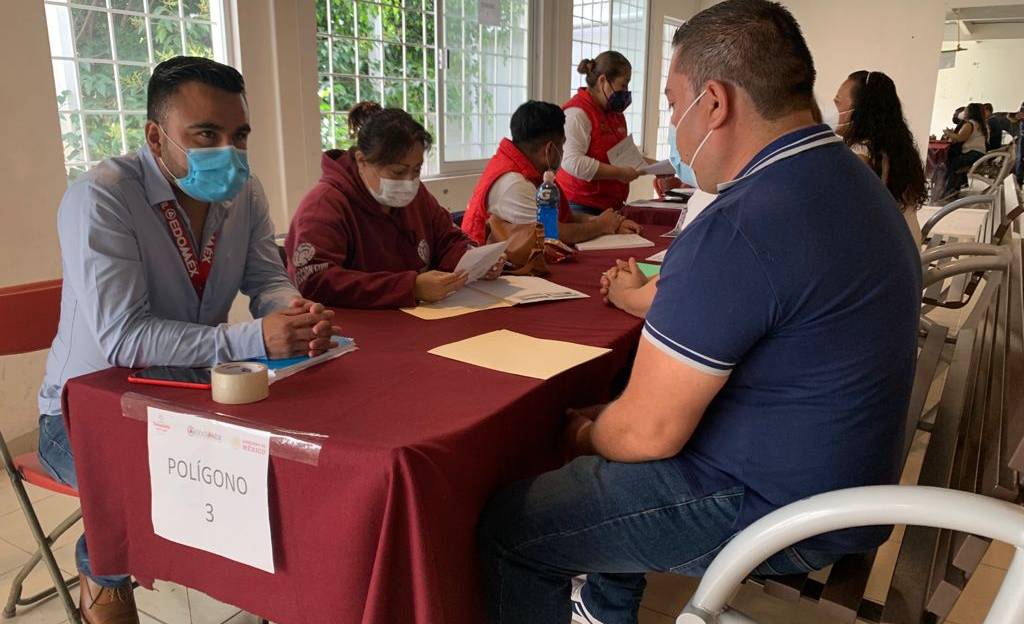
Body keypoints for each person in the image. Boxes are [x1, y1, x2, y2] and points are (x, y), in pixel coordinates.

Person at [477, 2, 921, 623]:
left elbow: (646, 434)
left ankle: (596, 601)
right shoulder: (852, 183)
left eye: (669, 101)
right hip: (841, 478)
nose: (671, 124)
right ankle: (607, 607)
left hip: (776, 506)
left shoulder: (745, 220)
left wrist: (584, 433)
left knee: (514, 524)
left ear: (713, 103)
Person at [37, 56, 339, 624]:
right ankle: (101, 560)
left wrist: (291, 312)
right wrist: (255, 337)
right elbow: (126, 337)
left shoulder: (243, 193)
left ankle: (281, 598)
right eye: (205, 134)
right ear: (155, 136)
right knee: (157, 493)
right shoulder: (101, 199)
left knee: (296, 465)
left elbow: (266, 278)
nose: (227, 150)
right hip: (84, 414)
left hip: (190, 392)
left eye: (238, 134)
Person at [285, 102, 501, 309]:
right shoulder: (325, 205)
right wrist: (410, 287)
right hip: (357, 328)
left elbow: (446, 238)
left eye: (416, 170)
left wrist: (475, 262)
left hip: (420, 318)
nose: (408, 181)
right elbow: (315, 281)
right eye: (398, 171)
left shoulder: (417, 195)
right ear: (362, 161)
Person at [462, 101, 641, 248]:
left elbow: (565, 217)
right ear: (549, 150)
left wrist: (609, 222)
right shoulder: (514, 183)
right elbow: (554, 233)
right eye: (562, 145)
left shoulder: (527, 170)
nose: (563, 151)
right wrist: (600, 226)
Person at [832, 70, 926, 245]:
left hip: (889, 258)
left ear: (860, 110)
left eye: (837, 103)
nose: (831, 110)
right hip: (908, 248)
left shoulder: (861, 155)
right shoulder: (893, 147)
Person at [556, 52, 646, 216]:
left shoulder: (615, 114)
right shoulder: (577, 113)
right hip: (579, 206)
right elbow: (571, 162)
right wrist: (619, 173)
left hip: (610, 206)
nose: (626, 91)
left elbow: (626, 156)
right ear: (603, 81)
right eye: (623, 85)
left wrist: (661, 167)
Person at [943, 102, 988, 195]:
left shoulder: (970, 124)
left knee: (952, 163)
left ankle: (949, 190)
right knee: (954, 162)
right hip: (979, 154)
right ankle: (954, 188)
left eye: (966, 110)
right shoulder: (982, 124)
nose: (964, 112)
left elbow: (960, 138)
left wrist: (948, 133)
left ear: (970, 112)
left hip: (972, 154)